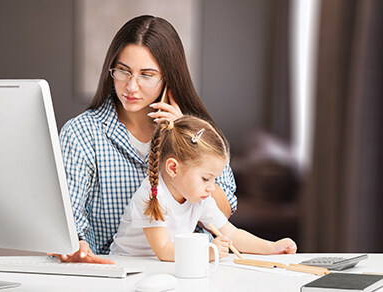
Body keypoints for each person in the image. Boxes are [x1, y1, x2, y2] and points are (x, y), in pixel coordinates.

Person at [57, 15, 237, 263]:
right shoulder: (81, 133)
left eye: (147, 75)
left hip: (186, 271)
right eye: (123, 71)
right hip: (110, 271)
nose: (131, 86)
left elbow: (223, 214)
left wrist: (185, 139)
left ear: (169, 79)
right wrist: (75, 245)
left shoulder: (196, 132)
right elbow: (69, 219)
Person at [110, 117, 297, 260]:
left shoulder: (199, 197)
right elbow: (164, 250)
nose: (212, 187)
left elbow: (231, 233)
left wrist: (272, 248)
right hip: (129, 268)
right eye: (206, 178)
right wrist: (208, 252)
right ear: (173, 168)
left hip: (165, 269)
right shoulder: (152, 196)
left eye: (214, 179)